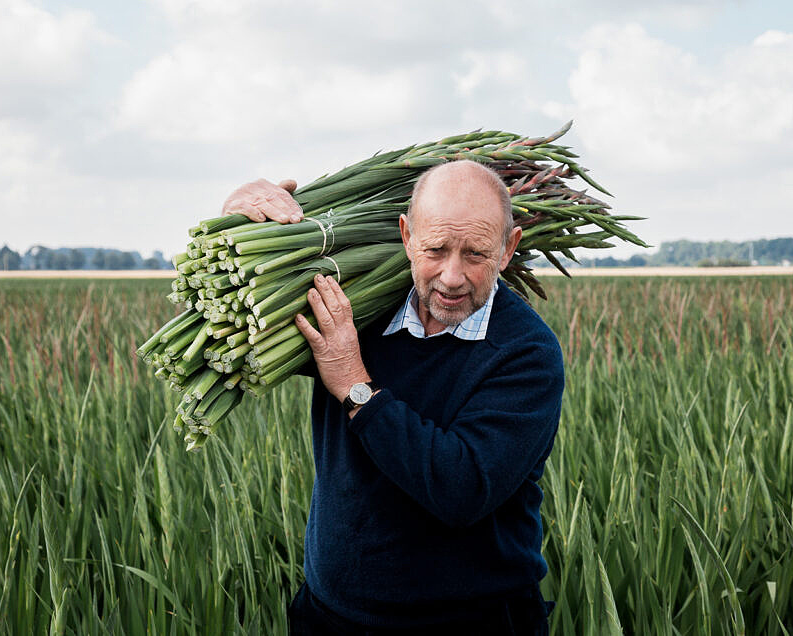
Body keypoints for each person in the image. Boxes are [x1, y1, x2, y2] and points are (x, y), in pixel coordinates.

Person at [222, 161, 565, 635]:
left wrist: (353, 383)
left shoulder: (526, 352)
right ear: (407, 235)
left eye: (476, 254)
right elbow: (229, 340)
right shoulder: (355, 308)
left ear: (508, 248)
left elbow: (461, 488)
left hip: (471, 623)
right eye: (436, 249)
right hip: (330, 616)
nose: (451, 276)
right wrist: (235, 230)